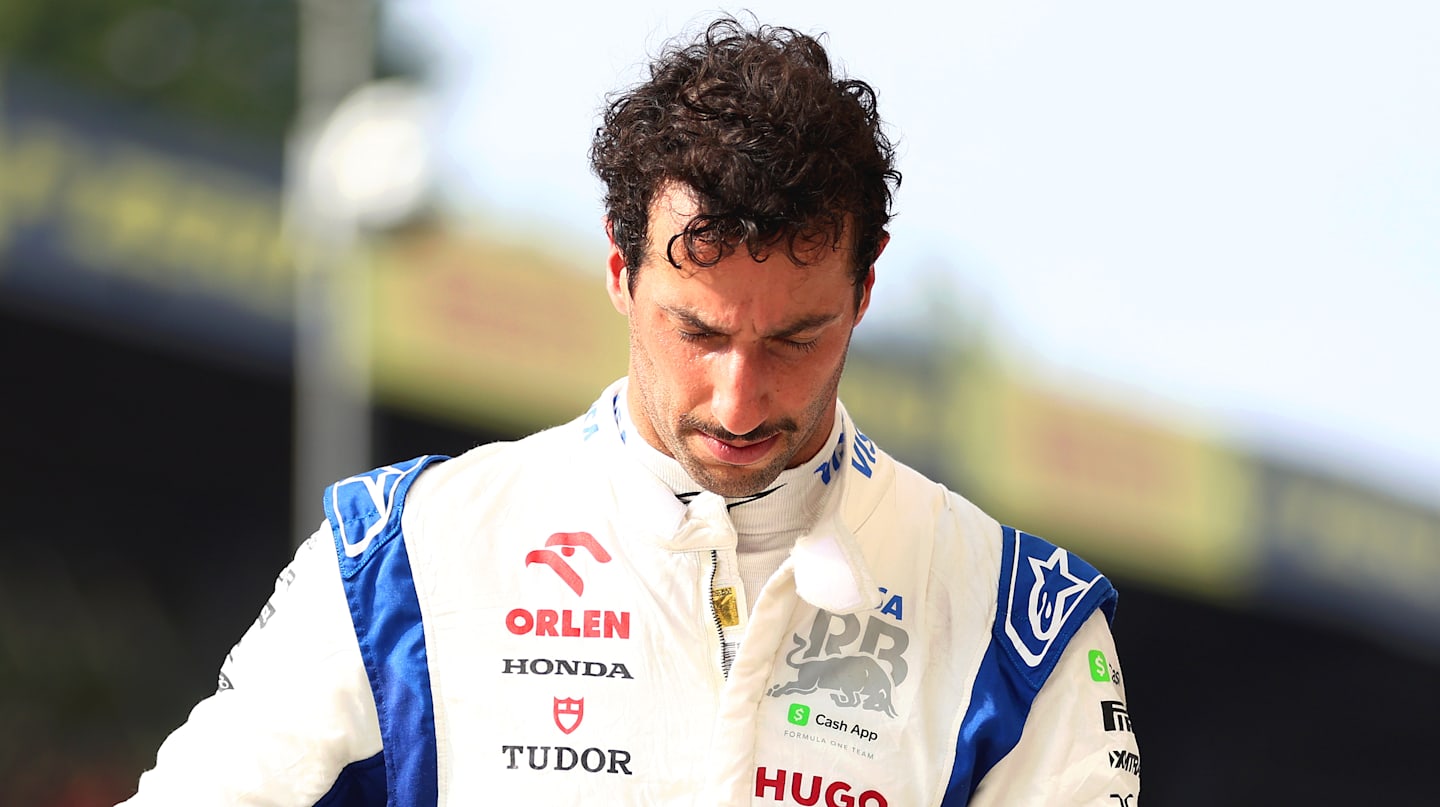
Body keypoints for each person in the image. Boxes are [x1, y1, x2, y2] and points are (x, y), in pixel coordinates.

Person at [120, 16, 1140, 806]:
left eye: (795, 339)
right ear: (620, 270)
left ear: (864, 293)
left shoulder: (1024, 626)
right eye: (699, 332)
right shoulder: (403, 559)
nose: (741, 397)